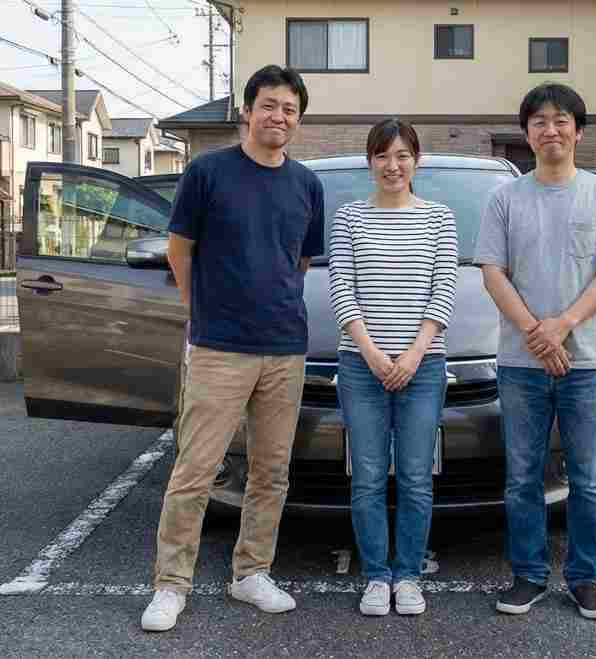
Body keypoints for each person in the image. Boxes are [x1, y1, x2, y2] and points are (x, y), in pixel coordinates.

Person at [141, 65, 324, 632]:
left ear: (298, 119)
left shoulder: (306, 184)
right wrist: (204, 316)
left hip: (285, 347)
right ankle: (171, 585)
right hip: (220, 346)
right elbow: (179, 251)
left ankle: (252, 573)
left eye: (290, 109)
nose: (279, 117)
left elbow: (299, 261)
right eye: (268, 105)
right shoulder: (208, 172)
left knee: (271, 470)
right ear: (247, 111)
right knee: (197, 469)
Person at [474, 83, 596, 620]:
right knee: (522, 475)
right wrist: (535, 333)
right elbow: (493, 272)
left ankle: (587, 577)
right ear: (526, 133)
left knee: (589, 476)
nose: (551, 129)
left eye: (561, 119)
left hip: (588, 361)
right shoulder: (505, 197)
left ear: (578, 130)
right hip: (521, 363)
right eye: (539, 121)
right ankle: (528, 575)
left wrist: (563, 324)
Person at [328, 119, 458, 616]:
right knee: (365, 475)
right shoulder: (349, 218)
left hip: (422, 366)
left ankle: (408, 576)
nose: (393, 165)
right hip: (362, 366)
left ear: (416, 161)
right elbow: (343, 291)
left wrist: (411, 355)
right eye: (382, 156)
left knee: (415, 475)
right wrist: (376, 355)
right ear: (370, 163)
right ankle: (376, 577)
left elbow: (443, 291)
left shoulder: (438, 219)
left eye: (402, 155)